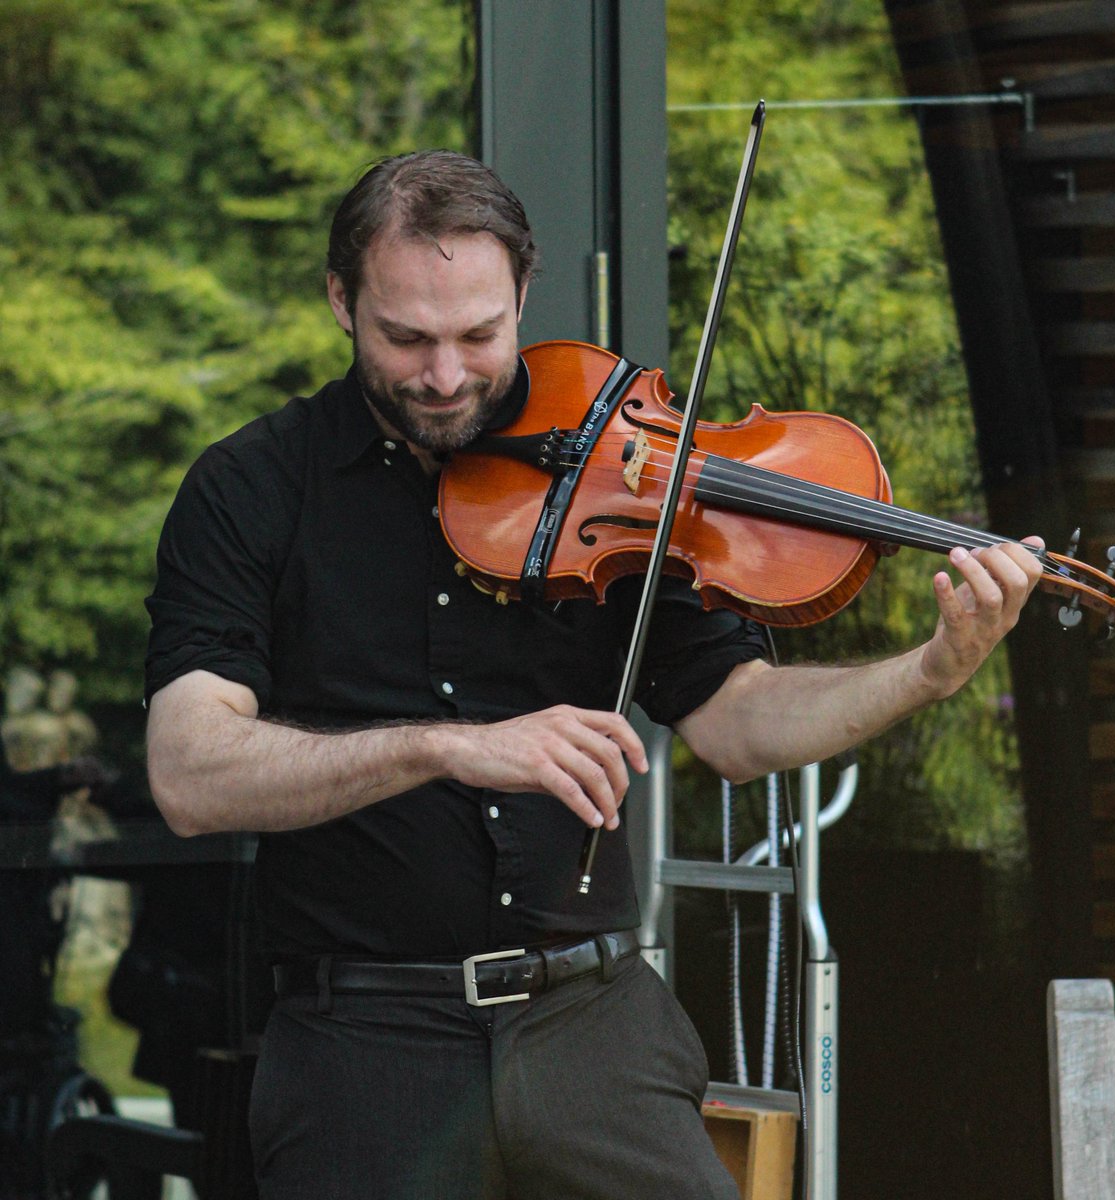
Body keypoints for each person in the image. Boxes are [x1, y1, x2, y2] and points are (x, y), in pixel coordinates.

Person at [143, 149, 1043, 1199]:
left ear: (524, 292)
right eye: (407, 338)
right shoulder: (250, 489)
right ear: (341, 300)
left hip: (595, 1031)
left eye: (479, 335)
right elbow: (188, 775)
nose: (445, 376)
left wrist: (929, 671)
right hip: (363, 1045)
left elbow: (738, 724)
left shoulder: (622, 469)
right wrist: (449, 749)